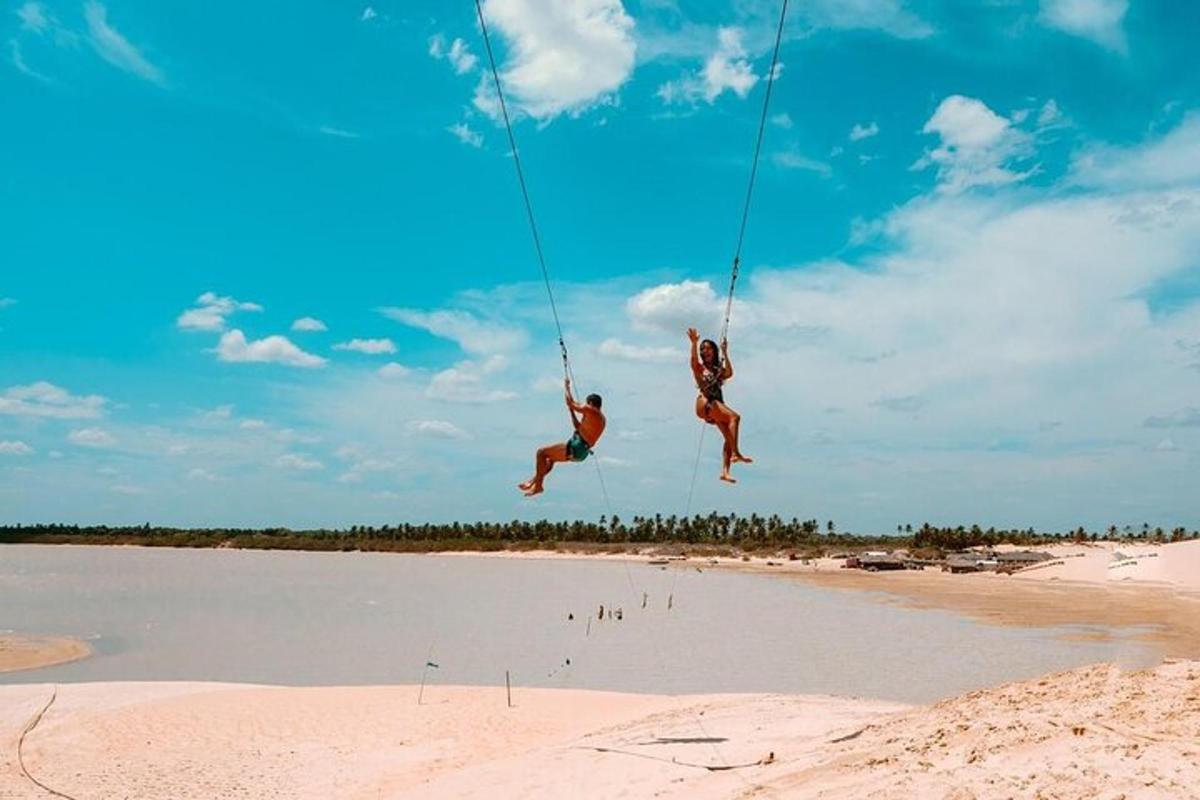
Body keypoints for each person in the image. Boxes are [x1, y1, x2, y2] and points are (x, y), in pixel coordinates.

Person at [518, 378, 606, 497]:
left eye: (586, 403)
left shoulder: (591, 409)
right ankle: (534, 481)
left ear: (590, 403)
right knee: (550, 459)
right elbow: (578, 426)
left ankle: (538, 486)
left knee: (541, 452)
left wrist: (567, 387)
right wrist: (571, 412)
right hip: (581, 452)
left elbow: (570, 402)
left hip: (577, 447)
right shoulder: (600, 419)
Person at [688, 327, 751, 483]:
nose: (706, 351)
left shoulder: (717, 369)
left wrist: (725, 352)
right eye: (703, 349)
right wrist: (694, 343)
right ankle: (736, 453)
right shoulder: (700, 368)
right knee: (735, 418)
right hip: (705, 403)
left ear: (714, 352)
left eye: (709, 348)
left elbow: (729, 373)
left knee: (729, 437)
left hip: (715, 406)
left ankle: (725, 472)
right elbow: (693, 360)